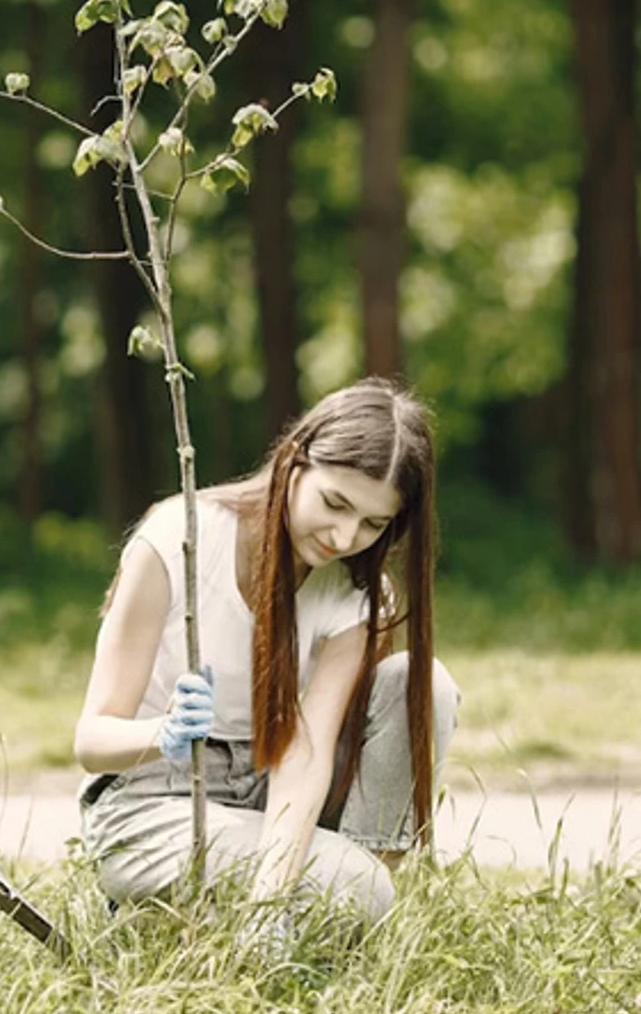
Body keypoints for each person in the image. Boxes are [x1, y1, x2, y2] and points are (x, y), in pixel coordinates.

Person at [74, 378, 460, 932]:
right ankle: (306, 906)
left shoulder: (357, 591)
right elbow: (91, 741)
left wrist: (270, 902)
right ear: (295, 460)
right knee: (354, 889)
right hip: (154, 800)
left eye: (374, 524)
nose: (345, 536)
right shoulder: (177, 539)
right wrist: (161, 734)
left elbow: (305, 751)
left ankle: (306, 918)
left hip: (270, 791)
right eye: (335, 503)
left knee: (421, 685)